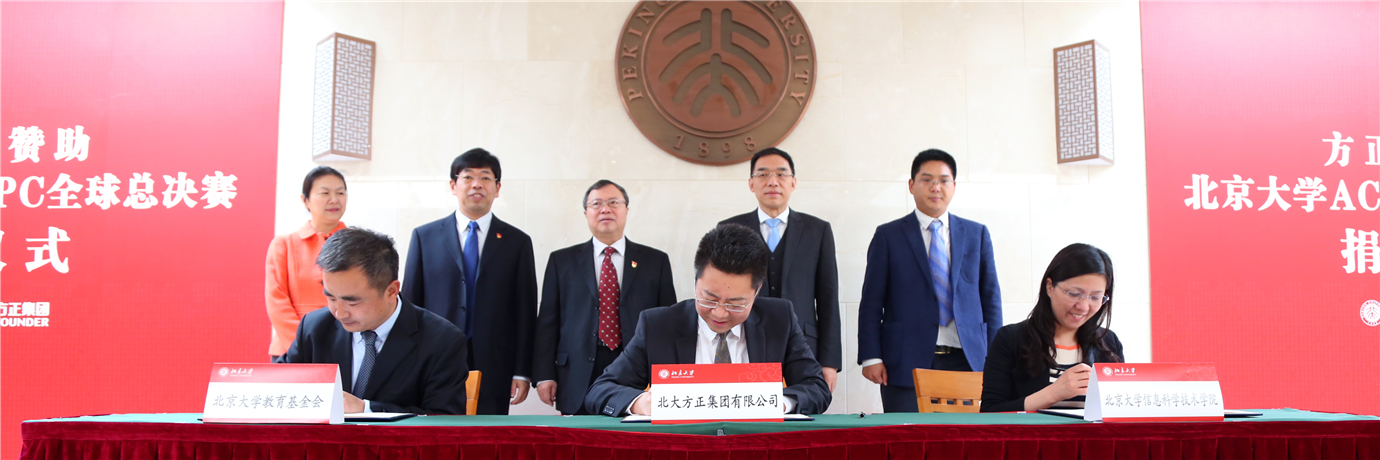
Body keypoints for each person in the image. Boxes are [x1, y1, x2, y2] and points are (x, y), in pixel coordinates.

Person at [584, 224, 831, 417]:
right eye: (709, 299)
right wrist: (641, 402)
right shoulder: (659, 326)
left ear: (756, 291)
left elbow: (816, 387)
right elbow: (601, 390)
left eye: (735, 303)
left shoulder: (779, 319)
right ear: (696, 283)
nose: (720, 313)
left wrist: (779, 403)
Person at [857, 149, 1002, 412]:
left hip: (967, 360)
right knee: (908, 433)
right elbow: (871, 302)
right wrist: (871, 356)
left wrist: (996, 358)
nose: (936, 187)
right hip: (905, 361)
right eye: (927, 179)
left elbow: (990, 299)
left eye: (944, 180)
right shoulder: (888, 235)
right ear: (911, 185)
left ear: (954, 187)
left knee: (964, 435)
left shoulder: (976, 234)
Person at [402, 148, 537, 415]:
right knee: (437, 430)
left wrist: (522, 371)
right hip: (435, 357)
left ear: (497, 188)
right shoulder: (424, 237)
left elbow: (525, 310)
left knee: (488, 433)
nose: (477, 184)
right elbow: (410, 304)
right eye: (468, 177)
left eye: (485, 178)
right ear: (453, 186)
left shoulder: (517, 242)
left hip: (495, 363)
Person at [277, 227, 469, 415]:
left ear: (391, 291)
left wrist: (366, 409)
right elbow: (276, 390)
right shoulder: (314, 327)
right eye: (331, 298)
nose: (339, 313)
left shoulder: (442, 341)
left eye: (352, 302)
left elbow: (443, 419)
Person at [533, 180, 678, 415]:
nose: (605, 209)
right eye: (597, 204)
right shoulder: (562, 261)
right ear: (586, 212)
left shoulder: (655, 261)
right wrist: (544, 375)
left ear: (626, 210)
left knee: (629, 433)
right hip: (576, 369)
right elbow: (548, 322)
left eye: (613, 202)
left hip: (635, 366)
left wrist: (668, 375)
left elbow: (667, 323)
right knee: (578, 436)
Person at [718, 148, 842, 391]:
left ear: (793, 182)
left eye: (781, 174)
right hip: (743, 342)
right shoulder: (729, 229)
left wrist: (829, 362)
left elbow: (828, 299)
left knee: (801, 409)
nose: (773, 181)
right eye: (763, 174)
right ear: (751, 184)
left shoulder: (817, 230)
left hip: (803, 346)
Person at [981, 244, 1123, 412]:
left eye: (1095, 297)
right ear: (1050, 287)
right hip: (1033, 430)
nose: (1084, 306)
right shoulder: (1010, 339)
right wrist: (1053, 393)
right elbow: (990, 412)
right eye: (1074, 294)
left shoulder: (1109, 342)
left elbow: (1119, 411)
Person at [265, 166, 348, 361]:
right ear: (305, 200)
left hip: (346, 346)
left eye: (340, 193)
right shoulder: (284, 244)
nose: (334, 199)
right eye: (324, 193)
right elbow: (276, 301)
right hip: (291, 348)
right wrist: (302, 344)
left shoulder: (360, 245)